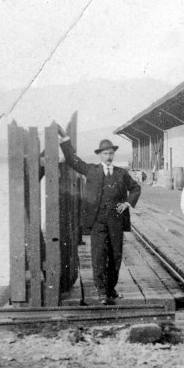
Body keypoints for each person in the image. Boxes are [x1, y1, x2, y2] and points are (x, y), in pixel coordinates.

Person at [58, 126, 141, 304]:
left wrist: (127, 203)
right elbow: (72, 160)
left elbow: (135, 188)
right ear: (100, 155)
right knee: (98, 254)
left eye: (111, 153)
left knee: (116, 254)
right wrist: (65, 139)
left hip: (116, 220)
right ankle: (102, 291)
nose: (108, 156)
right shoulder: (91, 170)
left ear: (114, 154)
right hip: (97, 221)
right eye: (105, 154)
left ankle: (111, 289)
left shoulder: (122, 173)